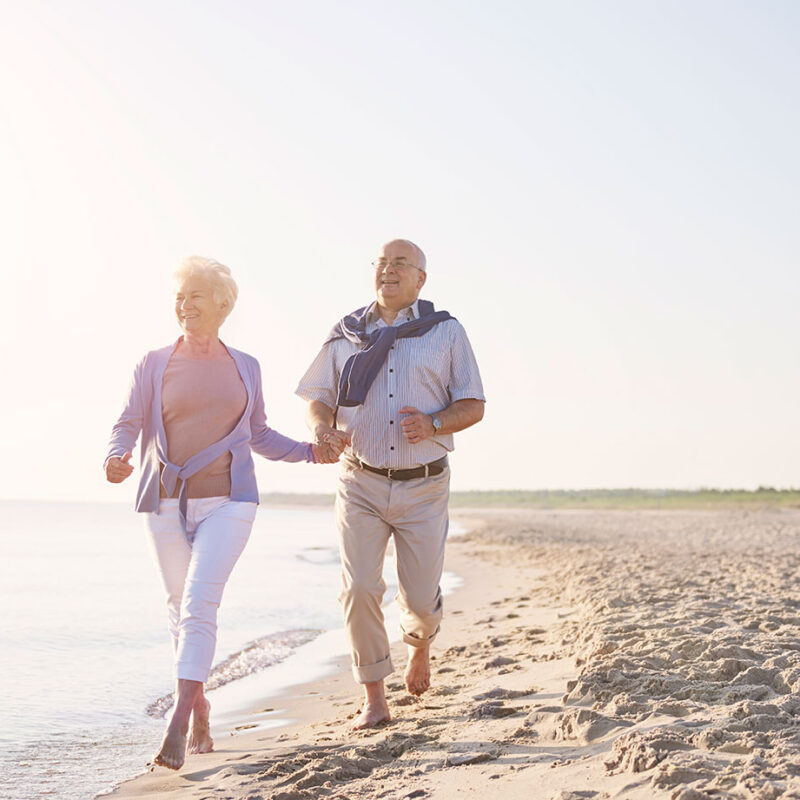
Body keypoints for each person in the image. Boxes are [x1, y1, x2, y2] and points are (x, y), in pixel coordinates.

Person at [105, 256, 330, 770]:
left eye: (195, 296)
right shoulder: (154, 362)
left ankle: (179, 719)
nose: (185, 306)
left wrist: (311, 452)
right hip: (163, 500)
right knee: (178, 608)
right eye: (180, 297)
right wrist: (115, 457)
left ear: (222, 304)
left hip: (231, 500)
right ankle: (201, 703)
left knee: (199, 603)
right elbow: (129, 422)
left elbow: (258, 434)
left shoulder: (245, 365)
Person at [296, 238, 485, 729]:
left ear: (421, 279)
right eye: (382, 262)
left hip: (424, 484)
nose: (389, 270)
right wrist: (321, 428)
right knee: (359, 587)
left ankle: (419, 646)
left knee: (420, 599)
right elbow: (317, 395)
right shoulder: (346, 333)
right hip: (359, 480)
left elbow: (473, 404)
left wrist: (435, 424)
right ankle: (374, 699)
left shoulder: (445, 332)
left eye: (401, 263)